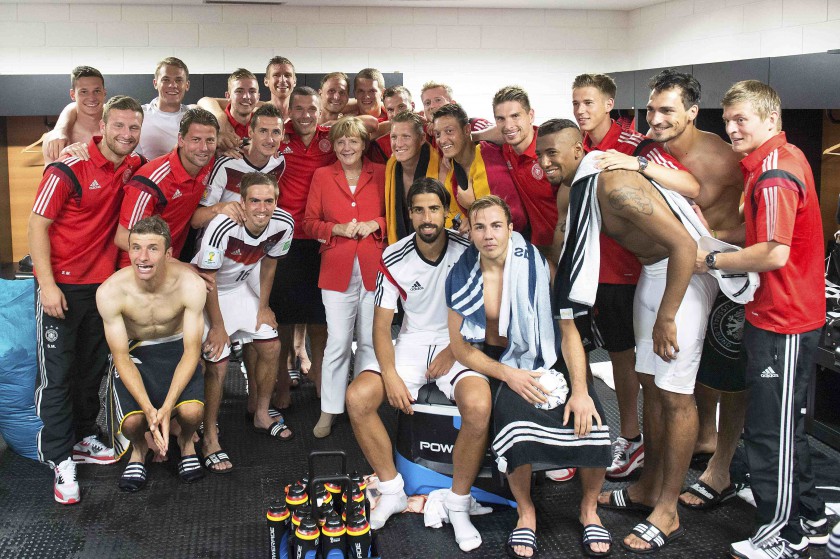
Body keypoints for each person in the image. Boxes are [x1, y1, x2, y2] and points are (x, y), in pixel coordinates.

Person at [535, 119, 717, 554]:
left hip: (686, 273)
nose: (544, 163)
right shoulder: (579, 186)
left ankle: (668, 510)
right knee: (650, 386)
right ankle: (648, 487)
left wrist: (668, 316)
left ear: (579, 149)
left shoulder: (614, 186)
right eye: (540, 154)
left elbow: (685, 248)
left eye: (553, 153)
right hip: (656, 271)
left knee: (675, 394)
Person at [698, 80, 827, 559]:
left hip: (785, 321)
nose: (731, 128)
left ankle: (783, 534)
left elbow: (772, 253)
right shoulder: (774, 160)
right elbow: (758, 232)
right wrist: (708, 234)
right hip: (778, 315)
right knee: (782, 427)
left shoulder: (774, 173)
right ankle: (811, 518)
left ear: (769, 120)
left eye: (741, 120)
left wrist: (707, 261)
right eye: (727, 119)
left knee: (770, 433)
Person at [446, 195, 612, 558]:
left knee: (595, 425)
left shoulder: (542, 267)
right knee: (514, 428)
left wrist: (581, 390)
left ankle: (589, 509)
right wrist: (510, 375)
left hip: (549, 355)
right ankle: (527, 511)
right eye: (479, 227)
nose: (488, 234)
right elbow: (461, 349)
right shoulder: (461, 274)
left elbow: (569, 334)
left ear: (509, 228)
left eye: (495, 225)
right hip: (499, 361)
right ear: (470, 232)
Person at [345, 178, 487, 553]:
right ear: (409, 215)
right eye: (419, 210)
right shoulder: (393, 255)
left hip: (456, 340)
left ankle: (458, 503)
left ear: (446, 212)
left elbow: (482, 311)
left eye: (434, 209)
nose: (427, 217)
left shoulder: (466, 250)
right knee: (358, 398)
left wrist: (454, 351)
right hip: (410, 341)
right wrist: (389, 374)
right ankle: (392, 490)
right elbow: (380, 325)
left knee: (478, 405)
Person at [571, 73, 701, 481]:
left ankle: (639, 446)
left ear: (609, 103)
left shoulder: (635, 145)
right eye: (575, 103)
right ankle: (641, 455)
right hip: (606, 272)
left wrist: (638, 163)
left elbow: (692, 187)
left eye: (589, 102)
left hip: (648, 271)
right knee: (629, 366)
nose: (581, 110)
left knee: (655, 378)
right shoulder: (581, 147)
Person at [30, 95, 145, 505]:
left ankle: (82, 437)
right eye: (119, 126)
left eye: (134, 128)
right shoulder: (69, 167)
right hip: (60, 287)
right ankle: (60, 460)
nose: (127, 135)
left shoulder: (132, 166)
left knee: (91, 371)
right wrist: (46, 285)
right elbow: (36, 226)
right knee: (57, 377)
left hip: (102, 288)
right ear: (103, 125)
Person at [641, 69, 748, 511]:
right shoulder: (651, 150)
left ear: (691, 113)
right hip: (675, 267)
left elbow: (754, 228)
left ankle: (721, 466)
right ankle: (698, 443)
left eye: (667, 110)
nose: (657, 118)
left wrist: (716, 248)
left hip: (722, 269)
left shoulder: (725, 159)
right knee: (684, 369)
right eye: (651, 109)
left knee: (728, 374)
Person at [97, 216, 207, 492]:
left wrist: (167, 408)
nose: (142, 257)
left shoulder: (190, 284)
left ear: (169, 254)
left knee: (192, 412)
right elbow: (120, 357)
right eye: (136, 248)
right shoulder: (110, 291)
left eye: (152, 249)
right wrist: (149, 409)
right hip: (137, 351)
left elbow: (192, 350)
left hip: (176, 348)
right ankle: (138, 450)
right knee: (134, 422)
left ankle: (185, 443)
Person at [194, 172, 295, 473]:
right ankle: (210, 434)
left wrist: (263, 307)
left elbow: (271, 263)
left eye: (269, 201)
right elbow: (208, 278)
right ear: (242, 201)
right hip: (208, 291)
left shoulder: (284, 223)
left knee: (272, 346)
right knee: (218, 361)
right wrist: (218, 326)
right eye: (255, 201)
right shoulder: (222, 225)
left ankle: (262, 413)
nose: (262, 208)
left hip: (240, 287)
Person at [303, 116, 386, 438]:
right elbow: (310, 222)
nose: (347, 147)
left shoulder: (381, 173)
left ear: (364, 144)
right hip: (335, 271)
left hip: (374, 269)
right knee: (337, 342)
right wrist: (334, 229)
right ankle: (329, 410)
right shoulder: (322, 176)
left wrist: (376, 223)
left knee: (369, 341)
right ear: (333, 146)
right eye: (340, 142)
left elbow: (396, 216)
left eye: (353, 141)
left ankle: (365, 404)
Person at [268, 86, 335, 409]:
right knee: (283, 318)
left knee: (321, 318)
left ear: (320, 111)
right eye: (300, 108)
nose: (306, 115)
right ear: (289, 110)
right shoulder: (278, 138)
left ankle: (321, 380)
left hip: (322, 238)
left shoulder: (331, 138)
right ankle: (281, 384)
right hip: (285, 237)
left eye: (312, 109)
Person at [115, 108, 218, 267]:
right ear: (181, 140)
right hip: (136, 268)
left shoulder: (208, 163)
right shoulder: (150, 182)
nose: (203, 148)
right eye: (196, 140)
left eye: (210, 140)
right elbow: (122, 237)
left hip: (170, 263)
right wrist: (174, 264)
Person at [431, 102, 526, 235]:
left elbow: (516, 219)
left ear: (467, 130)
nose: (443, 140)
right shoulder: (453, 164)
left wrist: (477, 218)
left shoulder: (490, 159)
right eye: (438, 134)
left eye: (449, 131)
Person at [492, 86, 557, 255]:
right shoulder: (506, 149)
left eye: (515, 116)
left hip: (567, 248)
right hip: (536, 249)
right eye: (501, 119)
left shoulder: (552, 151)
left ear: (531, 115)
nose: (508, 125)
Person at [384, 110, 446, 244]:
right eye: (394, 137)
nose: (398, 144)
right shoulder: (391, 167)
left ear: (422, 138)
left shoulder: (442, 166)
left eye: (406, 136)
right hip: (402, 252)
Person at [43, 66, 106, 165]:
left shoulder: (117, 132)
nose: (92, 98)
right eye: (84, 92)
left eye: (97, 91)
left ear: (104, 92)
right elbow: (50, 177)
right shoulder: (55, 140)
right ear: (72, 95)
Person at [137, 57, 193, 159]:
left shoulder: (194, 115)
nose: (172, 85)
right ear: (155, 83)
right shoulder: (139, 114)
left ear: (187, 85)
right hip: (146, 173)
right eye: (166, 80)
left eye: (179, 80)